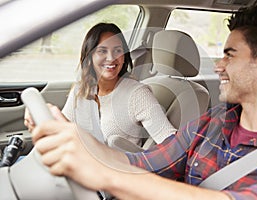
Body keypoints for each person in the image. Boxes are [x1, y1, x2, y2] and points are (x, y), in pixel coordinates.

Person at [29, 5, 257, 199]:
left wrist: (103, 174)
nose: (219, 66)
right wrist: (72, 136)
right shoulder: (211, 123)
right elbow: (140, 162)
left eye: (230, 55)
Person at [25, 23, 176, 150]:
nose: (111, 58)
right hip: (79, 167)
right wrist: (40, 117)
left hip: (111, 177)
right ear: (89, 57)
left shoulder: (137, 94)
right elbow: (64, 128)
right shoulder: (81, 90)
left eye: (117, 50)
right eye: (102, 51)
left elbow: (171, 142)